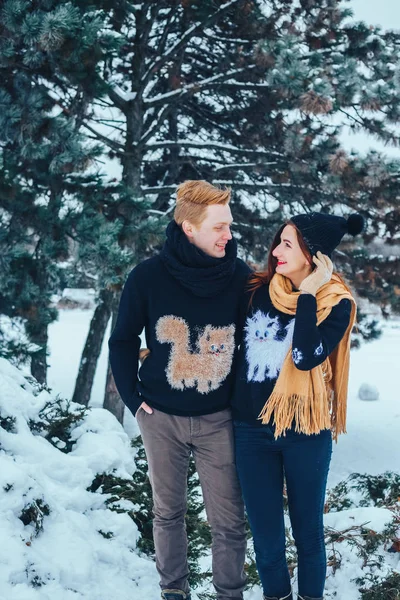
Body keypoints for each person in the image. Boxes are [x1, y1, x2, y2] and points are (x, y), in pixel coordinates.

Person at [108, 180, 250, 600]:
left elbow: (258, 340)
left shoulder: (240, 277)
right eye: (219, 227)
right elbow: (122, 341)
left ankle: (230, 594)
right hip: (161, 418)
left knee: (228, 520)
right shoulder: (148, 277)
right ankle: (173, 591)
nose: (229, 235)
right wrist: (135, 402)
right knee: (168, 512)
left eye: (230, 225)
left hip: (219, 417)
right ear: (189, 227)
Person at [231, 212, 364, 600]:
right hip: (251, 431)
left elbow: (306, 356)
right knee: (267, 541)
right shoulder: (255, 291)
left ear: (313, 255)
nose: (275, 251)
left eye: (287, 244)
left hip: (307, 432)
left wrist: (308, 293)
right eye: (278, 241)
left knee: (308, 535)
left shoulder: (334, 302)